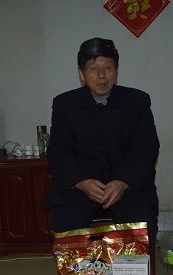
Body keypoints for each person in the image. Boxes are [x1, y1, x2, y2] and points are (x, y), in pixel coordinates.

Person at [45, 37, 160, 255]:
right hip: (81, 189)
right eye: (93, 69)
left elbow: (147, 148)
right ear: (82, 74)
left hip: (127, 188)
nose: (101, 75)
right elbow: (59, 153)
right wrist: (82, 182)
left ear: (116, 71)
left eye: (108, 68)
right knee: (65, 225)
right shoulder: (65, 104)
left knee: (141, 229)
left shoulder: (137, 101)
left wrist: (123, 181)